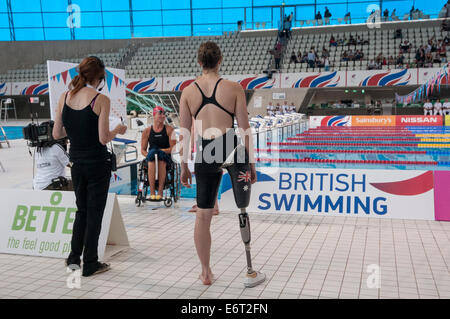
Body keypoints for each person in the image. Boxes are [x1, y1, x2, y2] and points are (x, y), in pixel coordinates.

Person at [179, 41, 262, 287]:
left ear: (199, 61)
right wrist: (251, 163)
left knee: (203, 216)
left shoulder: (188, 92)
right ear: (220, 59)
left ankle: (205, 272)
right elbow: (245, 128)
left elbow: (184, 131)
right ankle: (250, 269)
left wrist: (184, 165)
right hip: (231, 147)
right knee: (242, 209)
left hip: (205, 151)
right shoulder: (234, 88)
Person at [53, 56, 127, 277]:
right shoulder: (100, 99)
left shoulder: (64, 96)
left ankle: (74, 257)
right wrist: (119, 130)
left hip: (76, 163)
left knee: (81, 211)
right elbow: (104, 138)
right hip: (96, 163)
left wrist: (77, 131)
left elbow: (57, 134)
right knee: (94, 213)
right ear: (100, 77)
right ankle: (91, 263)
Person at [140, 106, 176, 200]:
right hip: (152, 156)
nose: (162, 116)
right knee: (151, 161)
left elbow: (173, 148)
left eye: (164, 114)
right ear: (154, 115)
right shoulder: (147, 131)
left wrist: (160, 151)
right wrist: (150, 154)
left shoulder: (169, 130)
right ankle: (152, 193)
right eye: (160, 113)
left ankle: (160, 192)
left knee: (161, 161)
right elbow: (143, 150)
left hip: (165, 156)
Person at [33, 122, 71, 191]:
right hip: (52, 186)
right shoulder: (55, 147)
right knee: (80, 187)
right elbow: (71, 164)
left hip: (38, 186)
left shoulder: (38, 149)